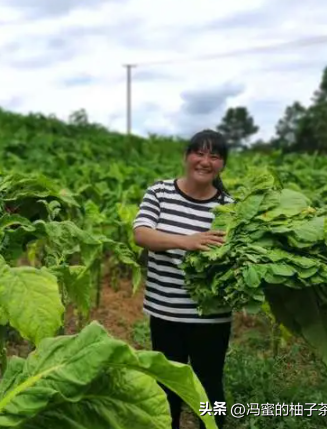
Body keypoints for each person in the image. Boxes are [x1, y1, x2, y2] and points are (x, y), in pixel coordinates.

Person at [132, 129, 234, 429]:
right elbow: (141, 234)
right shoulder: (160, 193)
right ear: (186, 157)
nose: (205, 161)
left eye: (214, 156)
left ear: (222, 165)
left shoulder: (230, 208)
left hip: (211, 317)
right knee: (167, 387)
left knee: (209, 387)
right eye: (199, 153)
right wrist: (186, 241)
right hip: (165, 312)